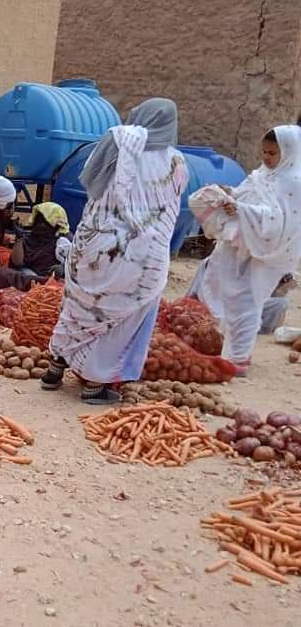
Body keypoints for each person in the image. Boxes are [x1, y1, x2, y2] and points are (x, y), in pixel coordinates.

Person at [41, 98, 189, 404]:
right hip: (140, 254)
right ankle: (95, 383)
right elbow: (169, 209)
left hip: (94, 243)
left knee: (78, 306)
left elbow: (90, 183)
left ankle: (54, 369)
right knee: (118, 316)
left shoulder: (118, 142)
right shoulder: (176, 161)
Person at [193, 125, 301, 374]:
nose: (266, 157)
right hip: (240, 245)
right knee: (229, 297)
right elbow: (245, 193)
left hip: (266, 253)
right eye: (264, 152)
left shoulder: (293, 182)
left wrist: (242, 210)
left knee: (247, 300)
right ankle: (232, 352)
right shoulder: (262, 175)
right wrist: (229, 195)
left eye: (272, 153)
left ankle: (239, 358)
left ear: (288, 152)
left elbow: (281, 222)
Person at [0, 202, 71, 291]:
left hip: (46, 284)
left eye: (46, 223)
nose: (41, 225)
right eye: (38, 221)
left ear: (56, 226)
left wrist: (63, 267)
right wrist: (19, 239)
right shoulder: (29, 238)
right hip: (26, 278)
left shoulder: (62, 243)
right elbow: (17, 262)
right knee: (1, 273)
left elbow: (75, 266)